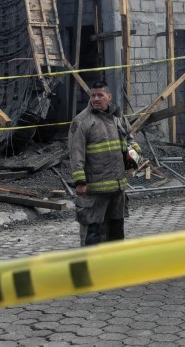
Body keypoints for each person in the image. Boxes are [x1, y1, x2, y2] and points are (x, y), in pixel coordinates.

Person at [69, 81, 140, 246]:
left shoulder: (117, 117)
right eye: (93, 95)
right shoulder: (82, 121)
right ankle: (92, 267)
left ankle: (113, 267)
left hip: (117, 186)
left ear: (109, 97)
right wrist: (80, 182)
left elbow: (130, 139)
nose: (96, 98)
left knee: (116, 229)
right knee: (93, 230)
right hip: (95, 188)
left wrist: (135, 157)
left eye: (100, 95)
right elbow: (76, 153)